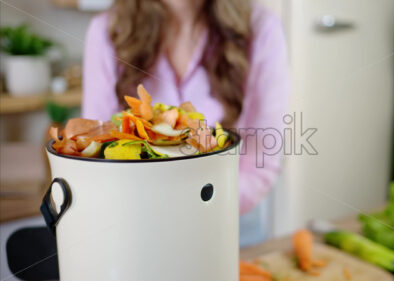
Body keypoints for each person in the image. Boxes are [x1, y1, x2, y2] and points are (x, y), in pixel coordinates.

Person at [82, 0, 289, 245]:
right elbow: (96, 153)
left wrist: (200, 209)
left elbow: (261, 159)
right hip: (139, 227)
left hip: (231, 222)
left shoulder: (261, 28)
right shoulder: (107, 30)